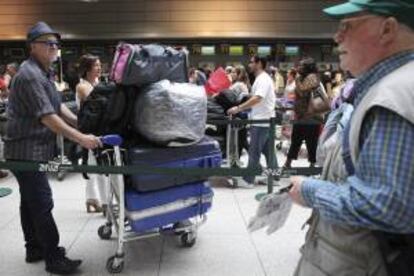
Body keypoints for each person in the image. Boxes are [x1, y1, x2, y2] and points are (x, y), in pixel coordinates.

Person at [289, 1, 414, 275]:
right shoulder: (386, 87)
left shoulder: (393, 97)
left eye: (347, 25)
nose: (337, 36)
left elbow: (389, 206)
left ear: (387, 29)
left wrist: (309, 190)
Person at [4, 22, 102, 275]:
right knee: (42, 201)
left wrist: (79, 122)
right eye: (48, 44)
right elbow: (47, 117)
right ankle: (53, 257)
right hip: (25, 151)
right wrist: (81, 138)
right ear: (33, 46)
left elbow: (58, 107)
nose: (54, 48)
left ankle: (33, 248)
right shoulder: (29, 75)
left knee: (29, 202)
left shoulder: (44, 73)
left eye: (56, 44)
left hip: (30, 148)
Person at [227, 56, 276, 188]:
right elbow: (256, 97)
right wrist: (245, 97)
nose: (249, 65)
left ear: (259, 64)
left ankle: (248, 180)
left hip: (261, 120)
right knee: (269, 152)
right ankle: (275, 177)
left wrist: (238, 108)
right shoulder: (262, 79)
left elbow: (258, 98)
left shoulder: (263, 79)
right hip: (265, 119)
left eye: (251, 62)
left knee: (254, 151)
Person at [75, 54, 109, 214]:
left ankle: (91, 199)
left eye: (100, 64)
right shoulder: (82, 86)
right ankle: (105, 204)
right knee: (99, 167)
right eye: (96, 65)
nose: (100, 68)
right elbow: (99, 101)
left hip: (98, 129)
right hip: (89, 131)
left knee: (92, 165)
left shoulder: (97, 83)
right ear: (87, 69)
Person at [283, 58, 326, 168]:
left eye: (302, 66)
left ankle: (311, 166)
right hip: (302, 117)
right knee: (295, 141)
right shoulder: (303, 79)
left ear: (308, 68)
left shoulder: (313, 79)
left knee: (311, 144)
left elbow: (303, 92)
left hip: (312, 118)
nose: (299, 68)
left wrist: (297, 79)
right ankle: (288, 163)